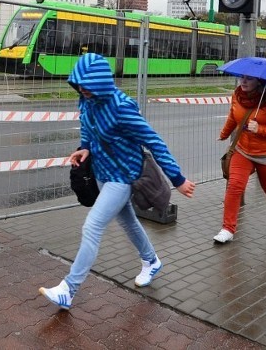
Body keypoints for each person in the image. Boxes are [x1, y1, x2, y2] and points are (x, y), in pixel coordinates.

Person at [39, 53, 196, 310]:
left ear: (100, 82)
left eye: (86, 85)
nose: (81, 89)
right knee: (128, 222)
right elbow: (87, 128)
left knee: (92, 227)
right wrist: (85, 148)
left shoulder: (121, 107)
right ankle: (151, 261)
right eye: (78, 84)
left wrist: (177, 179)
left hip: (122, 177)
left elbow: (154, 141)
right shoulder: (87, 101)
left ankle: (69, 288)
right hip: (102, 173)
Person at [213, 75, 266, 244]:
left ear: (259, 81)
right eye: (241, 77)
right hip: (243, 151)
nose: (243, 81)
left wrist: (261, 129)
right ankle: (228, 229)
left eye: (249, 79)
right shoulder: (237, 96)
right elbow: (233, 117)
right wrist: (224, 134)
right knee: (234, 186)